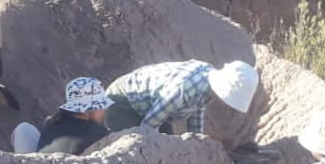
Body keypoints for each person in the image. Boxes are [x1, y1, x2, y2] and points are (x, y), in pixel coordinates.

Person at [105, 60, 258, 136]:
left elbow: (196, 114)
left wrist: (198, 143)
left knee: (168, 145)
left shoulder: (207, 87)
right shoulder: (182, 89)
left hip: (149, 108)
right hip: (122, 103)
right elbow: (147, 128)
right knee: (136, 148)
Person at [35, 77, 112, 155]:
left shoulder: (50, 125)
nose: (104, 110)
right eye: (101, 106)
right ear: (88, 109)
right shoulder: (99, 133)